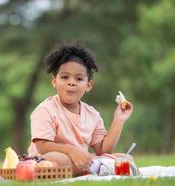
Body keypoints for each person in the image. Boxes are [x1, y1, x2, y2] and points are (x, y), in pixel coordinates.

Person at [27, 42, 133, 176]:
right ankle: (98, 168)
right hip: (45, 161)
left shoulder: (92, 114)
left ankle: (94, 168)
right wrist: (71, 150)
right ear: (54, 81)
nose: (71, 82)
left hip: (81, 160)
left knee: (126, 158)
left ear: (88, 85)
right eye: (65, 77)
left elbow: (103, 150)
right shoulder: (45, 109)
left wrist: (119, 119)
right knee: (55, 159)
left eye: (79, 78)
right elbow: (42, 147)